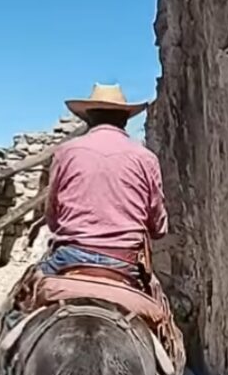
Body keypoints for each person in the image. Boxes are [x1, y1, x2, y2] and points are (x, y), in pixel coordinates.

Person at [40, 83, 167, 281]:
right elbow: (157, 224)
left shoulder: (66, 153)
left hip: (71, 257)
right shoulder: (146, 158)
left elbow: (52, 214)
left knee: (21, 302)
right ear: (125, 119)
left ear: (89, 118)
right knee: (159, 307)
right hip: (124, 261)